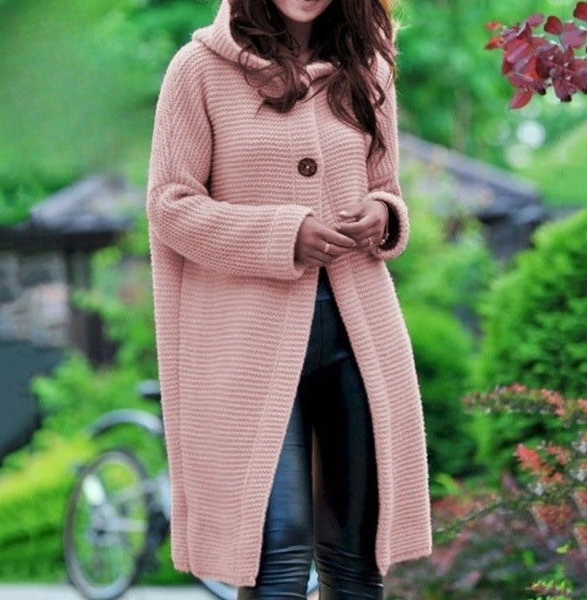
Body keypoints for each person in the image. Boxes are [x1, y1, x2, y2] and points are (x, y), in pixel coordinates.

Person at [145, 0, 433, 598]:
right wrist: (282, 234)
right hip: (245, 347)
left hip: (358, 335)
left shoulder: (369, 67)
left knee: (357, 562)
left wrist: (384, 214)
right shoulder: (198, 69)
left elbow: (386, 186)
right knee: (277, 554)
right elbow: (170, 205)